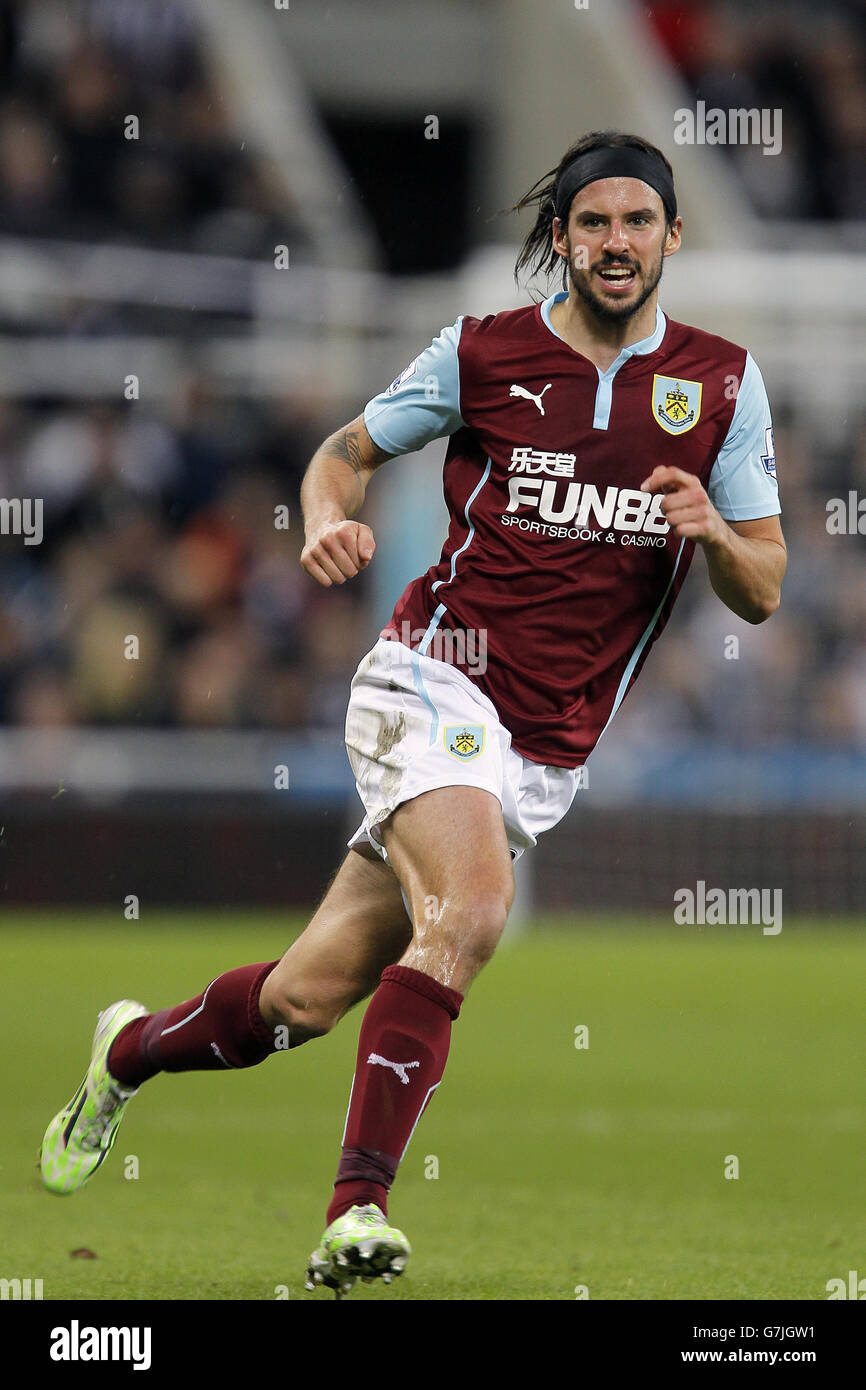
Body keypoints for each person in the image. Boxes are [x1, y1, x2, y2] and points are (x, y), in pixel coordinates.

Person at [40, 129, 786, 1298]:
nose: (614, 242)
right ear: (559, 238)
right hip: (432, 677)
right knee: (475, 909)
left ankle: (124, 1053)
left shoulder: (722, 385)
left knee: (302, 1000)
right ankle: (356, 1209)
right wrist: (325, 517)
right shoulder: (482, 353)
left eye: (636, 221)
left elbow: (765, 586)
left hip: (545, 745)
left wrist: (712, 531)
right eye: (590, 222)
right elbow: (343, 451)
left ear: (671, 236)